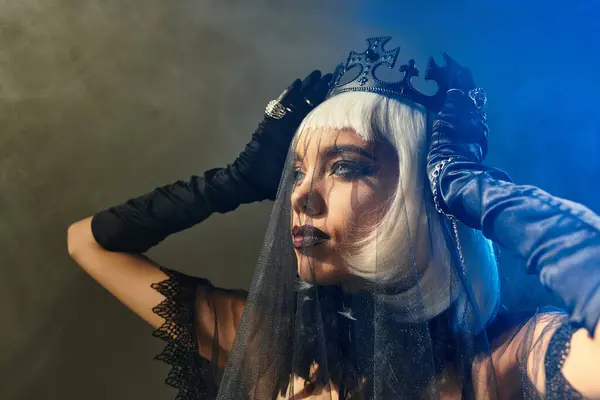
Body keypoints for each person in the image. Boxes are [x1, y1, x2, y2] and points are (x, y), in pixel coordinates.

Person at [67, 37, 600, 399]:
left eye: (345, 167)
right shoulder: (269, 340)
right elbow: (88, 244)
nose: (301, 196)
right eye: (296, 172)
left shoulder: (514, 354)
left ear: (423, 192)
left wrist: (470, 189)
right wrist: (231, 183)